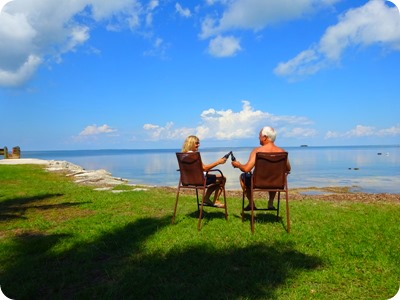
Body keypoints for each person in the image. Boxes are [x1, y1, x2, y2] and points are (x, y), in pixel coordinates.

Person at [231, 126, 291, 210]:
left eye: (259, 136)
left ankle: (251, 203)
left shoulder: (257, 151)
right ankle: (270, 203)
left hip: (257, 183)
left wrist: (238, 165)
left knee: (243, 177)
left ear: (265, 137)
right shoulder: (282, 152)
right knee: (273, 176)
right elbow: (288, 169)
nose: (258, 138)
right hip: (277, 183)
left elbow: (246, 169)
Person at [181, 135, 227, 207]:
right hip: (200, 180)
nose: (198, 145)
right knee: (222, 179)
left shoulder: (183, 155)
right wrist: (218, 162)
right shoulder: (194, 155)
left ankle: (206, 198)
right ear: (191, 143)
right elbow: (204, 168)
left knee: (217, 178)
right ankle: (215, 200)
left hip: (188, 180)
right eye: (196, 143)